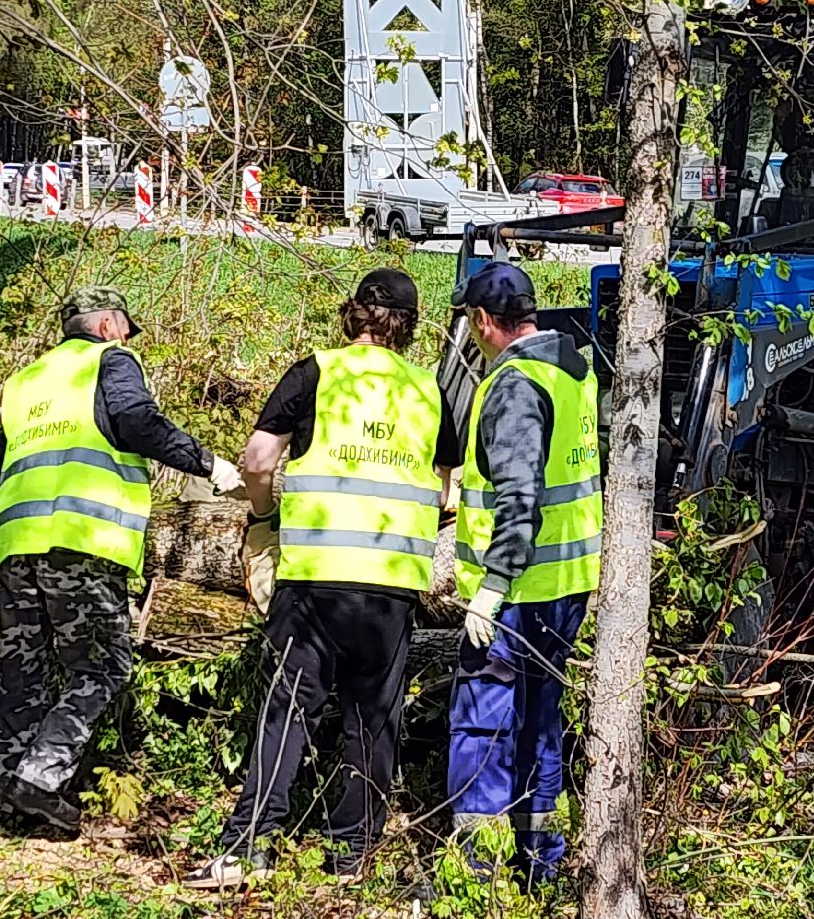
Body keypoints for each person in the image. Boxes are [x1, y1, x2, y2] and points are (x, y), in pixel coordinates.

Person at [184, 269, 459, 890]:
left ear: (353, 314)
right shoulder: (429, 390)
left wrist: (263, 514)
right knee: (373, 719)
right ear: (408, 328)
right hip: (392, 584)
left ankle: (248, 847)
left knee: (287, 712)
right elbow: (446, 491)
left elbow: (257, 460)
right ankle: (351, 856)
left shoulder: (314, 372)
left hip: (313, 577)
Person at [0, 287, 242, 831]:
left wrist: (14, 517)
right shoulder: (111, 360)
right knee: (102, 665)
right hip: (82, 541)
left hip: (17, 545)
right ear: (109, 324)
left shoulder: (28, 381)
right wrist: (208, 464)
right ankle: (41, 777)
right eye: (124, 328)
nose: (126, 338)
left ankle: (12, 790)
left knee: (26, 669)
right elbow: (136, 423)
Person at [446, 262, 602, 884]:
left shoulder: (512, 385)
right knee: (542, 718)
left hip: (518, 591)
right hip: (568, 582)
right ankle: (543, 864)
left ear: (484, 322)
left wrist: (489, 589)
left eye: (469, 324)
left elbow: (519, 497)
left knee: (483, 720)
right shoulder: (574, 371)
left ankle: (476, 874)